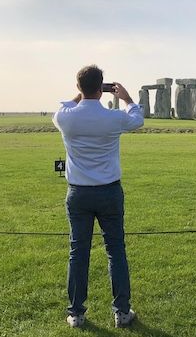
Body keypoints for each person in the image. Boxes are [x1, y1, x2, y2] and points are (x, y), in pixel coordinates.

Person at [53, 65, 144, 328]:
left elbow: (63, 108)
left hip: (78, 193)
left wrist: (80, 95)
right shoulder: (113, 118)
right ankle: (122, 311)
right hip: (109, 191)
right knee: (116, 250)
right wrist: (126, 99)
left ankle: (76, 314)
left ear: (79, 87)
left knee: (78, 252)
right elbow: (137, 119)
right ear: (102, 87)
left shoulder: (66, 118)